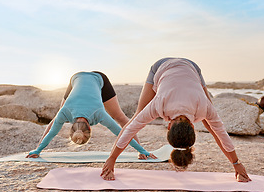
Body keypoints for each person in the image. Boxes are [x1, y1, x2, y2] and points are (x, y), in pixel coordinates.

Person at [101, 58, 251, 182]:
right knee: (138, 114)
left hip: (192, 68)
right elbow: (130, 129)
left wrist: (112, 158)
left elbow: (131, 129)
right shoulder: (163, 104)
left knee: (212, 126)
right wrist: (236, 163)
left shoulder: (165, 105)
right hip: (161, 68)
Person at [26, 71, 156, 159]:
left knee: (119, 117)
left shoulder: (98, 113)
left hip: (99, 79)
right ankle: (37, 149)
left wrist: (142, 150)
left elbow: (120, 132)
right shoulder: (66, 111)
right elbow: (120, 133)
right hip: (76, 79)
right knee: (56, 119)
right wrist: (37, 151)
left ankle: (141, 154)